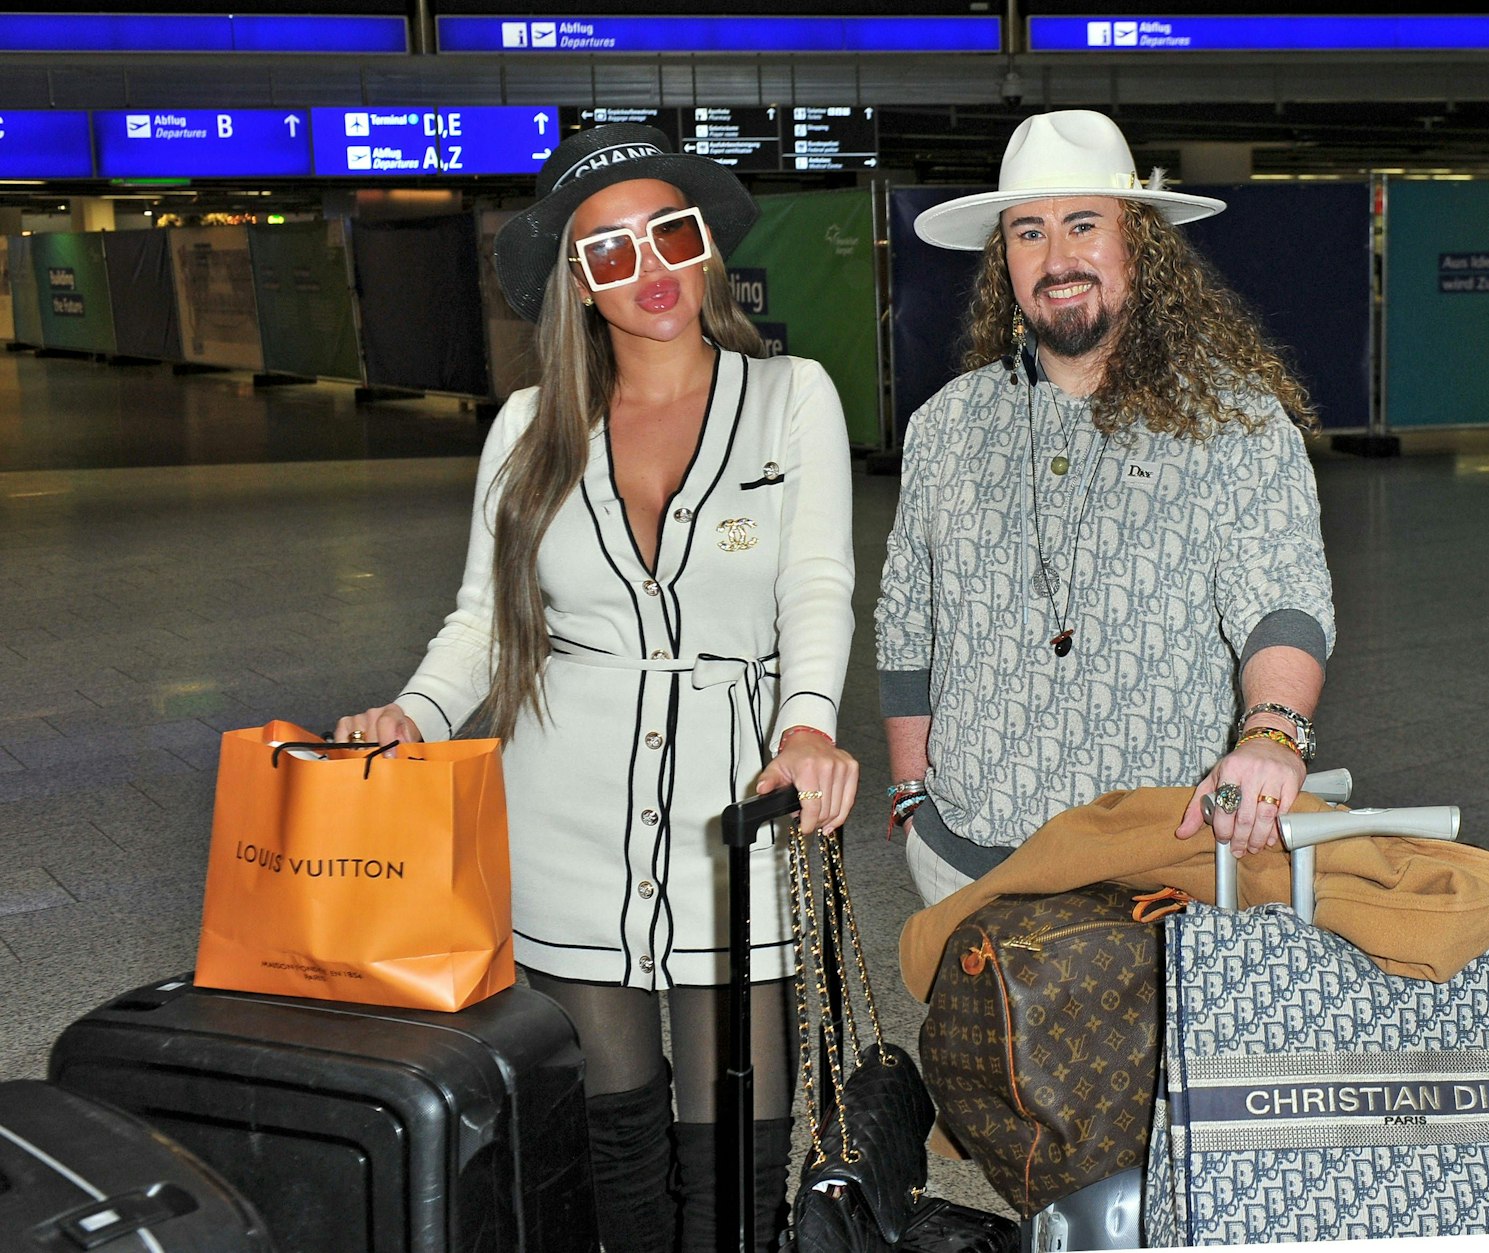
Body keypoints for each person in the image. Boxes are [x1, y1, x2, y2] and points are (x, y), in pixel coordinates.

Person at [336, 124, 858, 1253]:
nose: (649, 271)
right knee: (613, 1124)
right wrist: (411, 715)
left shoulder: (789, 398)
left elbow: (815, 584)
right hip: (565, 809)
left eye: (667, 233)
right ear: (574, 284)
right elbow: (482, 620)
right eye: (609, 252)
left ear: (706, 242)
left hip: (739, 812)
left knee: (738, 1133)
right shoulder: (528, 429)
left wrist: (807, 724)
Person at [877, 109, 1334, 907]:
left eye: (1084, 225)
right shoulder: (945, 425)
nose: (1058, 259)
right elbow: (906, 623)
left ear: (1139, 244)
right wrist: (914, 799)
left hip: (1156, 868)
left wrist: (1271, 734)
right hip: (966, 868)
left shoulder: (1236, 421)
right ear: (1004, 260)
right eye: (1028, 232)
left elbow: (1284, 600)